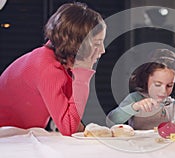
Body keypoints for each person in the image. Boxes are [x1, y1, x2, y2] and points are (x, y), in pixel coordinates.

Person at [0, 2, 106, 136]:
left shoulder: (58, 60)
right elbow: (69, 128)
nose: (102, 50)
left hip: (22, 135)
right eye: (97, 43)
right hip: (7, 138)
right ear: (77, 44)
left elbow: (73, 119)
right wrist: (83, 74)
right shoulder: (47, 67)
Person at [106, 49, 175, 130]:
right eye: (157, 84)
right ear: (146, 78)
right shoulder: (135, 99)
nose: (163, 91)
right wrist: (135, 107)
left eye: (169, 85)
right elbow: (111, 121)